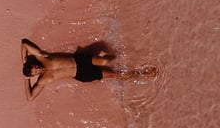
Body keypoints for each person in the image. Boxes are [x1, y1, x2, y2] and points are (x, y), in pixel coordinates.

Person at [21, 38, 155, 100]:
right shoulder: (42, 81)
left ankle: (129, 54)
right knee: (115, 75)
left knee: (105, 60)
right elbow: (30, 97)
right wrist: (26, 79)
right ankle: (142, 75)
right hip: (81, 74)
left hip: (80, 60)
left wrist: (24, 61)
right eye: (35, 72)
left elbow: (24, 43)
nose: (37, 69)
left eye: (34, 67)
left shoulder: (42, 57)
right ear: (34, 75)